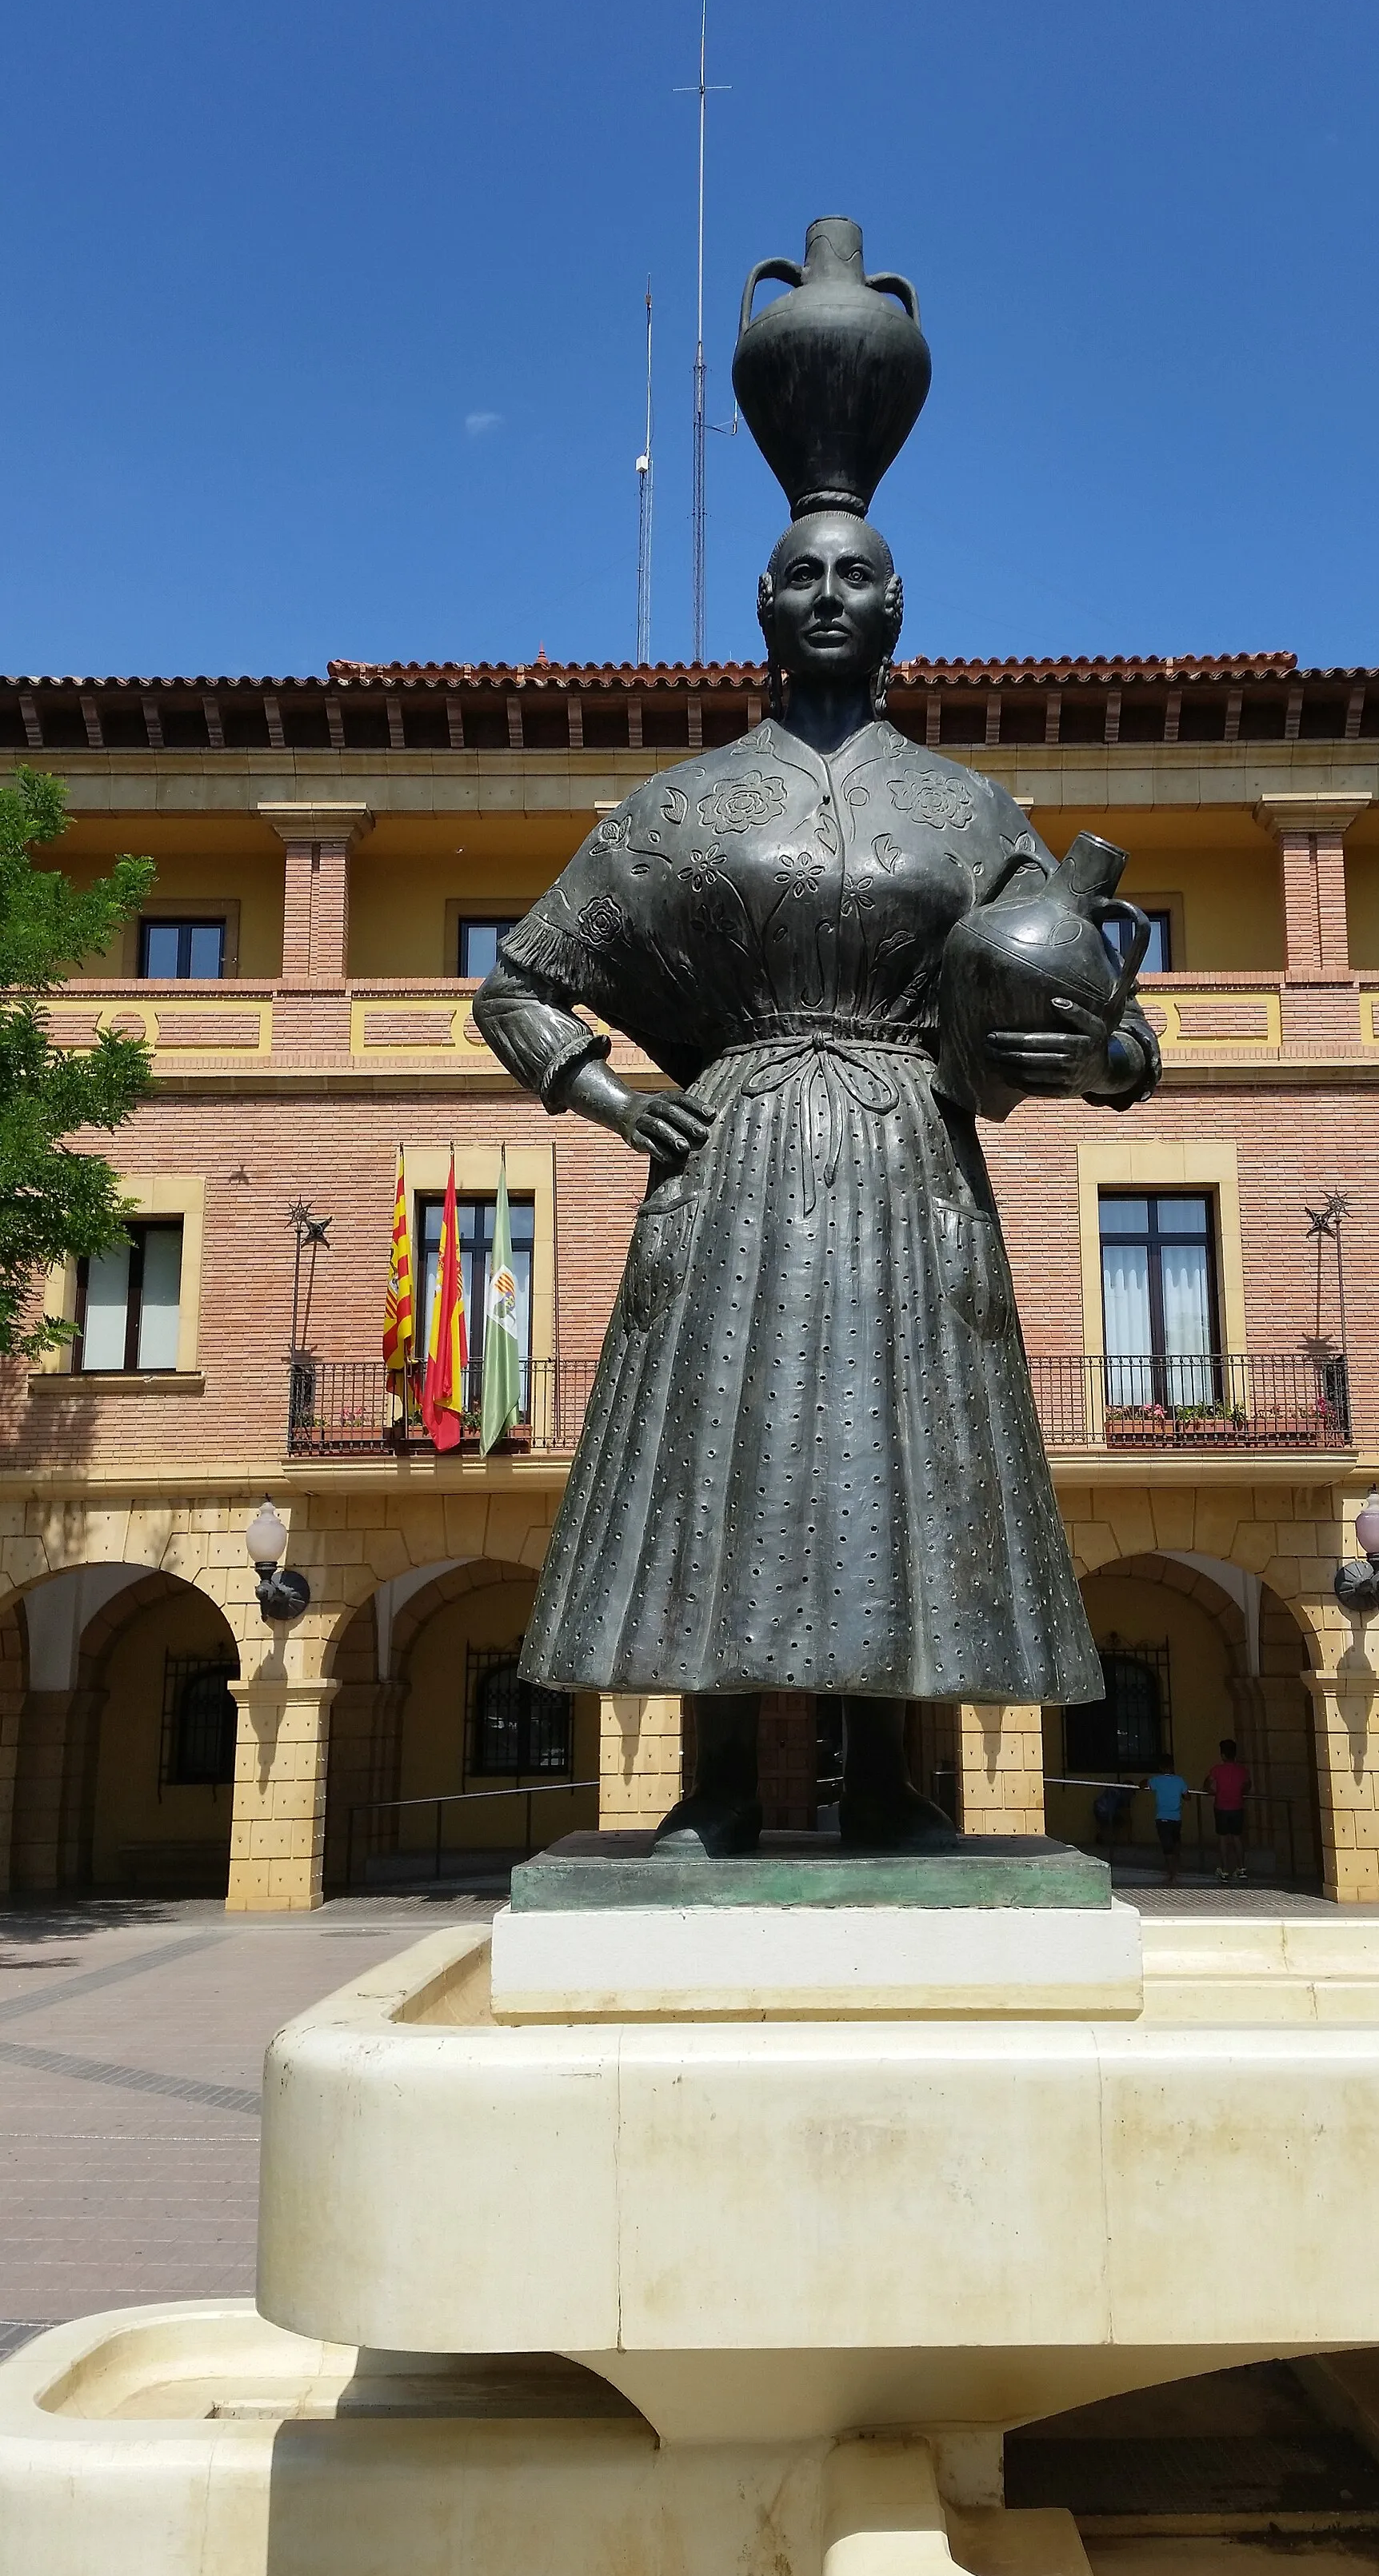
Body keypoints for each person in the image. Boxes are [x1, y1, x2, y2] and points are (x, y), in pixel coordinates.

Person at [474, 510, 1160, 1854]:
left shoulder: (970, 811)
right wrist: (614, 1100)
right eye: (803, 576)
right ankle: (719, 1782)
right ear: (763, 606)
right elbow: (515, 983)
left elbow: (1099, 1011)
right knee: (726, 1455)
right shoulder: (679, 806)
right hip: (735, 1153)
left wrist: (1109, 1061)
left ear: (897, 606)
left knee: (902, 1458)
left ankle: (893, 1781)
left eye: (855, 575)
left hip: (913, 1157)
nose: (829, 594)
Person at [1204, 1736, 1253, 1882]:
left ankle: (1224, 1869)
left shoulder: (1217, 1770)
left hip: (1221, 1807)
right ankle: (1241, 1868)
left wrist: (1211, 1790)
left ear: (1223, 1755)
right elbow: (1248, 1785)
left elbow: (1208, 1783)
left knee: (1223, 1838)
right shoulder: (1241, 1770)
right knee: (1237, 1837)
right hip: (1237, 1806)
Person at [1142, 1754, 1189, 1887]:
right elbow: (1187, 1796)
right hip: (1176, 1818)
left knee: (1167, 1848)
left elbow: (1144, 1785)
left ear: (1160, 1767)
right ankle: (1176, 1872)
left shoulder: (1157, 1780)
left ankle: (1171, 1875)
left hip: (1162, 1818)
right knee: (1176, 1845)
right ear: (1173, 1766)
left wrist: (1145, 1780)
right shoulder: (1180, 1780)